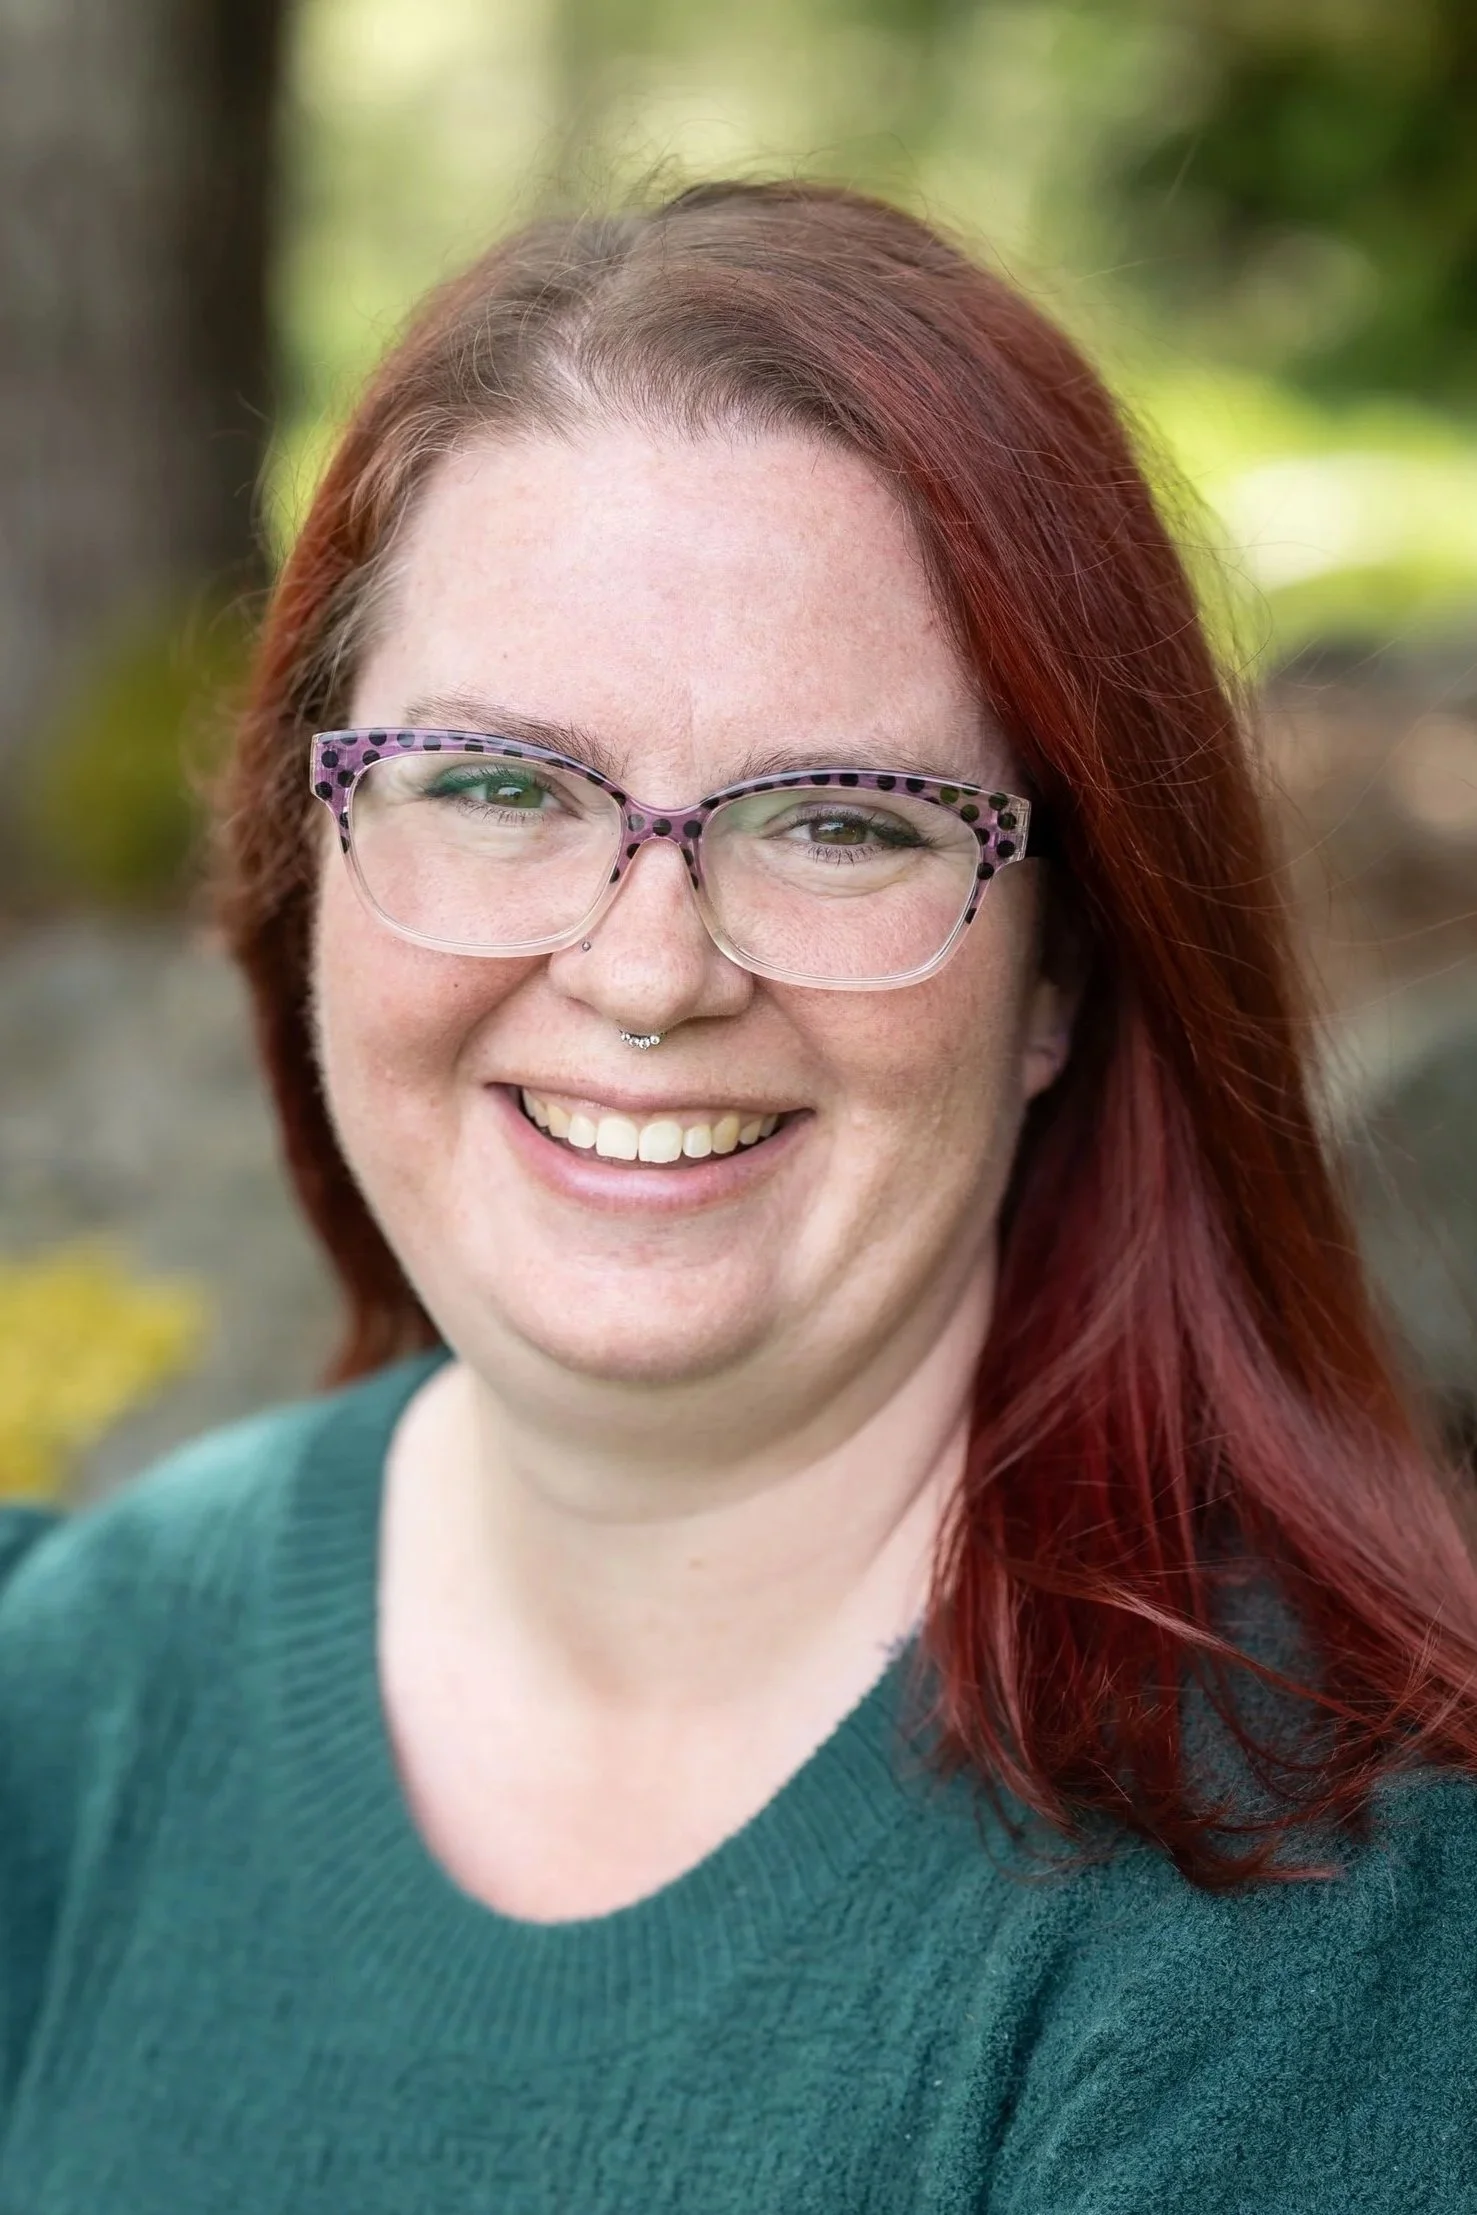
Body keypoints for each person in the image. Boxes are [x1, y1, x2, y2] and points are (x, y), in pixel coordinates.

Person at [2, 180, 1475, 2212]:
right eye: (499, 785)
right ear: (304, 852)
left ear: (1064, 971)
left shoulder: (1313, 1923)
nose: (646, 967)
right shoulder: (65, 1695)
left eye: (843, 821)